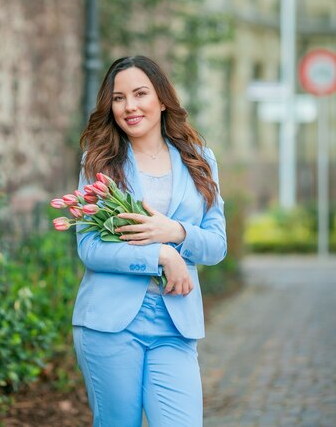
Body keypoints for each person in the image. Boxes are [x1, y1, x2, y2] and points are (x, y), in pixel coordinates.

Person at [72, 55, 227, 427]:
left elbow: (217, 245)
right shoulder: (99, 163)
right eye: (119, 98)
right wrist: (158, 254)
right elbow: (90, 248)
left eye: (140, 94)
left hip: (175, 323)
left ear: (161, 98)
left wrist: (176, 233)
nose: (130, 106)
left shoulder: (199, 160)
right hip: (111, 324)